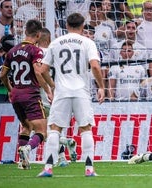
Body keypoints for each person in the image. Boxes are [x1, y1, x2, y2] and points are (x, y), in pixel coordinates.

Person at [37, 13, 105, 177]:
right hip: (81, 91)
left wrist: (52, 86)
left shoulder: (56, 42)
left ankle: (47, 168)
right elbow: (95, 66)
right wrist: (101, 87)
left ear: (66, 25)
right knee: (85, 129)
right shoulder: (88, 42)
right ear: (83, 26)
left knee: (54, 129)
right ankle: (89, 169)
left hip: (62, 92)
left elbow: (42, 69)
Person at [0, 19, 52, 170]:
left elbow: (3, 75)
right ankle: (27, 148)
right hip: (30, 94)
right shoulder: (36, 51)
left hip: (16, 94)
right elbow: (38, 71)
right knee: (41, 130)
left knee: (26, 126)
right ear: (38, 35)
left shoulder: (11, 51)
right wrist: (48, 90)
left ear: (25, 32)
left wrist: (11, 90)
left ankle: (23, 163)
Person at [37, 27, 77, 167]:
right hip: (60, 92)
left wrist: (48, 88)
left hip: (42, 95)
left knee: (44, 130)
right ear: (49, 38)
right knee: (58, 126)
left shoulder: (37, 53)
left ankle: (57, 154)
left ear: (38, 38)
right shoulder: (57, 52)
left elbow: (40, 72)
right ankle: (61, 157)